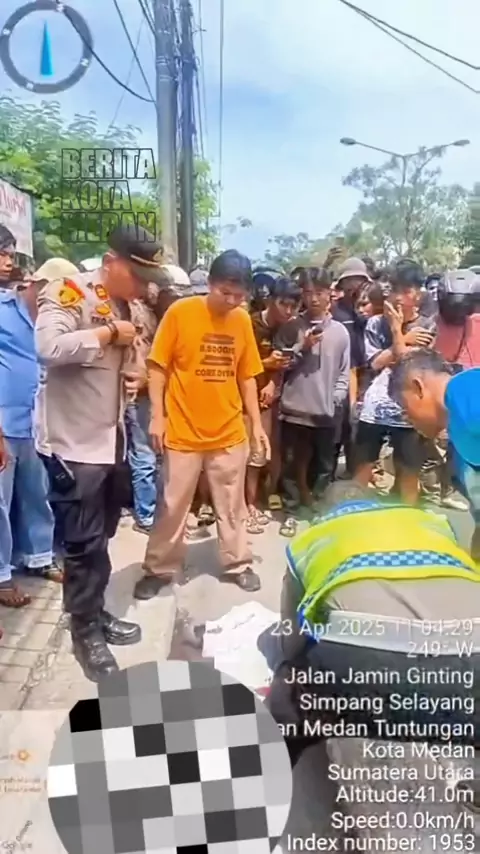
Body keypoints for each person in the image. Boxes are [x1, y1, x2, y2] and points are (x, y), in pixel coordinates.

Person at [34, 224, 169, 682]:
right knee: (81, 546)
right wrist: (108, 334)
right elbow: (48, 347)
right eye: (137, 275)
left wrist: (136, 374)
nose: (144, 286)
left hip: (113, 443)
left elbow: (135, 354)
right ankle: (84, 632)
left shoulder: (129, 303)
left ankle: (93, 610)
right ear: (111, 263)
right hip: (75, 447)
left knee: (103, 538)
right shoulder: (71, 292)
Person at [266, 480, 480, 765]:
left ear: (325, 512)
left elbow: (293, 640)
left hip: (373, 662)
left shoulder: (310, 538)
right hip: (473, 652)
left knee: (288, 696)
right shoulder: (430, 521)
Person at [134, 249, 270, 600]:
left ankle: (237, 562)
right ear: (209, 284)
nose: (232, 301)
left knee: (232, 504)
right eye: (226, 293)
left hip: (229, 431)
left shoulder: (241, 321)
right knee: (172, 505)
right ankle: (159, 568)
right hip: (182, 431)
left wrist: (256, 425)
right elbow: (157, 366)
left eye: (239, 295)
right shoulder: (181, 313)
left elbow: (247, 376)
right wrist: (158, 416)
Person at [0, 260, 77, 610]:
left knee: (37, 493)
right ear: (37, 285)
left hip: (37, 423)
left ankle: (39, 556)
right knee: (1, 502)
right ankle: (2, 575)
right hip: (5, 423)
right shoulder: (4, 311)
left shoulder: (55, 320)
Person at [354, 258, 434, 504]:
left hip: (409, 410)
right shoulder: (375, 323)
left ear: (418, 294)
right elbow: (375, 363)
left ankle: (409, 517)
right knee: (362, 468)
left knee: (409, 473)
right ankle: (353, 511)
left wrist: (398, 335)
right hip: (375, 408)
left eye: (406, 290)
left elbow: (409, 363)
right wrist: (403, 337)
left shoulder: (428, 325)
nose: (399, 297)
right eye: (395, 290)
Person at [389, 348, 480, 562]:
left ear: (418, 387)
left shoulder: (468, 391)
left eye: (404, 407)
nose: (407, 418)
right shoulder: (457, 444)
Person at [126, 264, 193, 534]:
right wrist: (145, 380)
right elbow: (137, 363)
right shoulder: (140, 316)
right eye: (174, 296)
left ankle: (162, 512)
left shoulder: (173, 319)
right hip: (142, 395)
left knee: (163, 457)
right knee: (145, 456)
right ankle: (147, 515)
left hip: (167, 395)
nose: (177, 302)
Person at [277, 267, 350, 517]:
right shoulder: (291, 327)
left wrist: (336, 398)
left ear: (330, 293)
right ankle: (291, 511)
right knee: (291, 464)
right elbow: (282, 365)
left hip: (325, 412)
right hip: (294, 411)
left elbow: (344, 371)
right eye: (308, 293)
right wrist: (302, 346)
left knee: (324, 465)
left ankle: (319, 508)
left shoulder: (340, 331)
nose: (314, 299)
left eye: (319, 292)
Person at [245, 275, 301, 528]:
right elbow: (238, 363)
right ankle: (249, 503)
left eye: (293, 306)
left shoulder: (289, 328)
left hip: (273, 398)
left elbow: (284, 363)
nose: (288, 311)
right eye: (283, 304)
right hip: (245, 398)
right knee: (253, 454)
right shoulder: (250, 323)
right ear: (270, 301)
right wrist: (265, 365)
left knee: (272, 451)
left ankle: (268, 495)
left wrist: (272, 382)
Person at [331, 257, 372, 476]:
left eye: (359, 280)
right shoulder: (335, 312)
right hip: (341, 375)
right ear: (342, 284)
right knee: (339, 426)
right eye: (350, 280)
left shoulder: (366, 311)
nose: (354, 285)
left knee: (359, 427)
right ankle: (328, 475)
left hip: (364, 374)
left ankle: (355, 474)